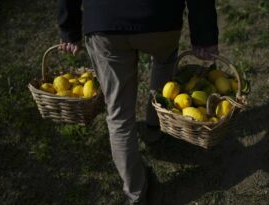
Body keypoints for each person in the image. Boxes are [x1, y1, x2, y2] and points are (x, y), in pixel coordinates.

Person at [57, 0, 219, 204]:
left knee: (119, 115)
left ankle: (135, 193)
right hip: (159, 19)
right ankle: (155, 125)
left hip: (106, 21)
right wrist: (204, 35)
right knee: (164, 61)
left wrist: (69, 29)